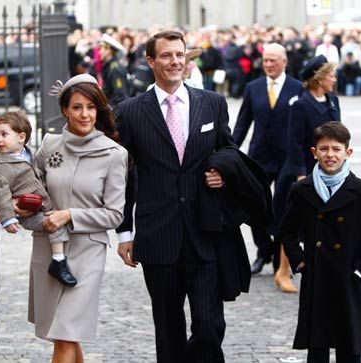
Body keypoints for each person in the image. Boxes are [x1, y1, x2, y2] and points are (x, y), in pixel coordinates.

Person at [115, 30, 235, 363]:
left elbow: (229, 150)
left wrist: (223, 171)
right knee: (168, 329)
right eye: (167, 56)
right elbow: (121, 177)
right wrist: (125, 233)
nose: (175, 62)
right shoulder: (130, 111)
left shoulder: (212, 103)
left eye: (180, 55)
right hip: (158, 235)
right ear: (151, 61)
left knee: (209, 326)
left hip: (205, 231)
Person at [22, 73, 128, 363]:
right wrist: (22, 207)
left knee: (67, 331)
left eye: (91, 107)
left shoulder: (114, 154)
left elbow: (114, 213)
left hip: (86, 252)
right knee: (64, 333)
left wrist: (70, 215)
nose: (85, 114)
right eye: (78, 107)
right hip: (48, 249)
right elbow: (33, 190)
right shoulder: (49, 146)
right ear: (65, 110)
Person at [278, 122, 361, 363]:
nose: (330, 155)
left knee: (349, 349)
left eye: (336, 149)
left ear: (347, 153)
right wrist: (299, 263)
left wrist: (360, 270)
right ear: (314, 152)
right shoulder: (301, 189)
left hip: (349, 281)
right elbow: (287, 232)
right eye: (324, 149)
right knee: (317, 350)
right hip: (316, 280)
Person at [232, 43, 303, 279]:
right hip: (259, 157)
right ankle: (264, 251)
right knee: (254, 206)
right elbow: (243, 123)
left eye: (273, 60)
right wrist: (229, 149)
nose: (269, 65)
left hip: (287, 159)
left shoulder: (297, 88)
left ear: (284, 61)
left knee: (284, 208)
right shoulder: (253, 88)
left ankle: (281, 257)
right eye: (265, 60)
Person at [0, 111, 76, 287]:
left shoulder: (29, 154)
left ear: (21, 137)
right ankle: (58, 262)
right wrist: (8, 218)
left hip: (42, 203)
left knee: (57, 219)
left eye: (4, 134)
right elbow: (0, 193)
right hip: (28, 213)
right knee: (55, 223)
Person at [275, 54, 340, 293]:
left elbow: (338, 134)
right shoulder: (301, 104)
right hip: (303, 171)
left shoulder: (332, 100)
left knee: (325, 223)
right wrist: (301, 174)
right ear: (319, 78)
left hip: (328, 169)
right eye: (331, 75)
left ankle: (324, 268)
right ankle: (283, 271)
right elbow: (293, 143)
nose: (334, 79)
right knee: (294, 223)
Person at [98, 33, 130, 106]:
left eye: (101, 49)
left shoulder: (115, 69)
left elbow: (120, 96)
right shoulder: (109, 66)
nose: (99, 52)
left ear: (108, 50)